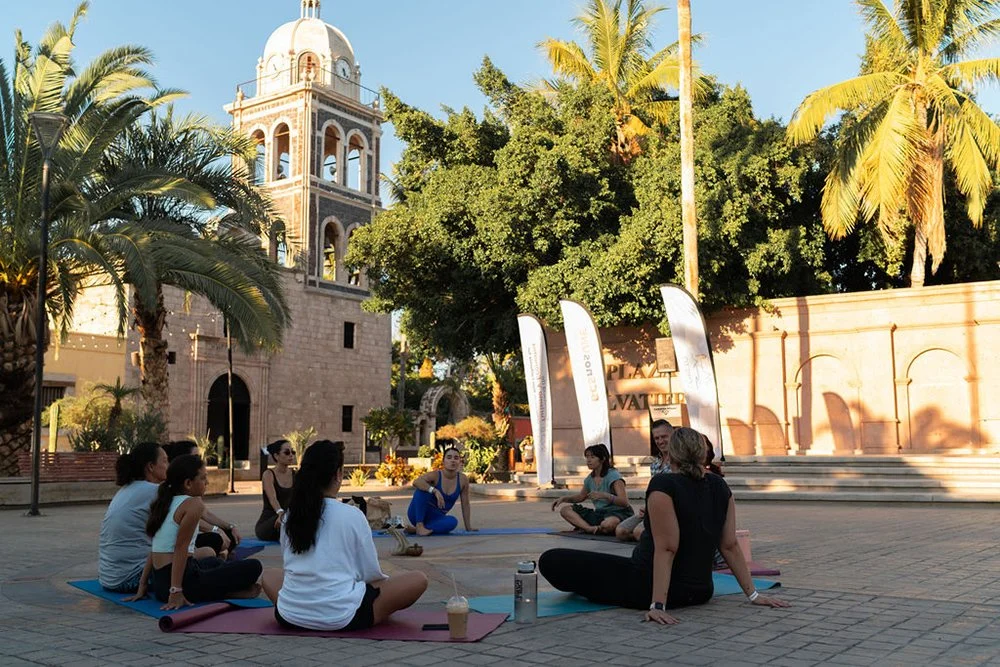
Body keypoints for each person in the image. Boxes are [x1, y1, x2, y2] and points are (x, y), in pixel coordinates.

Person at [539, 428, 789, 624]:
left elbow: (667, 548)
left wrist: (658, 605)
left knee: (552, 560)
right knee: (600, 568)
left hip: (647, 586)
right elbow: (729, 545)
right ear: (702, 454)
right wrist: (753, 595)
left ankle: (642, 597)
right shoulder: (720, 486)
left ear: (672, 455)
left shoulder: (663, 485)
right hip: (701, 590)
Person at [261, 440, 428, 631]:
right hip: (343, 616)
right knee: (418, 579)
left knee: (270, 575)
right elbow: (370, 575)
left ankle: (303, 608)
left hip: (290, 615)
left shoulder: (289, 516)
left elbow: (291, 563)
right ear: (338, 475)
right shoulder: (352, 514)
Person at [128, 454, 263, 609]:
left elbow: (156, 547)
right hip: (181, 584)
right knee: (254, 566)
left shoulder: (166, 501)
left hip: (160, 584)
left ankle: (222, 590)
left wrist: (143, 584)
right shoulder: (193, 504)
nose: (207, 482)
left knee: (214, 562)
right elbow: (181, 548)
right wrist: (175, 591)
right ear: (188, 483)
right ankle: (225, 592)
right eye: (203, 478)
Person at [98, 442, 168, 592]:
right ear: (151, 466)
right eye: (164, 461)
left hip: (109, 578)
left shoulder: (128, 489)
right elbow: (190, 514)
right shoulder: (153, 491)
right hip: (131, 578)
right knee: (206, 554)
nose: (168, 466)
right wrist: (219, 528)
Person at [164, 440, 242, 557]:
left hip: (182, 553)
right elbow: (191, 520)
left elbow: (205, 513)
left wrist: (229, 526)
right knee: (214, 545)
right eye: (195, 457)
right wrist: (215, 530)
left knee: (228, 535)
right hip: (179, 551)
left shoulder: (192, 494)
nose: (207, 482)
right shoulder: (172, 491)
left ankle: (220, 554)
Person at [551, 444, 633, 534]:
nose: (588, 460)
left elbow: (624, 502)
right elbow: (581, 497)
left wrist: (605, 495)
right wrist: (564, 499)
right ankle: (589, 528)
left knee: (608, 524)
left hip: (617, 513)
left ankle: (596, 528)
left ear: (602, 459)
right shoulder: (589, 479)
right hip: (599, 514)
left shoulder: (613, 476)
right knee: (565, 510)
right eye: (587, 457)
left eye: (592, 457)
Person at [616, 420, 675, 542]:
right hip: (651, 509)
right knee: (621, 531)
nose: (660, 441)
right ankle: (655, 538)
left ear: (673, 435)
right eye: (656, 438)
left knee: (640, 532)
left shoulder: (679, 462)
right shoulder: (655, 464)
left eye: (664, 437)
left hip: (669, 510)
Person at [405, 446, 475, 536]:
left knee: (452, 522)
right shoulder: (436, 475)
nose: (452, 460)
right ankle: (419, 525)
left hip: (436, 518)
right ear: (443, 461)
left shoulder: (463, 479)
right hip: (417, 514)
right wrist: (434, 490)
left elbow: (465, 503)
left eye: (456, 458)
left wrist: (468, 527)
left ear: (460, 462)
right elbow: (416, 482)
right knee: (423, 489)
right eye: (449, 458)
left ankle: (418, 529)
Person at [255, 440, 295, 542]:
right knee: (287, 520)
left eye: (292, 452)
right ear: (276, 456)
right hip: (269, 522)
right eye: (286, 452)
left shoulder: (295, 475)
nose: (291, 455)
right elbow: (272, 498)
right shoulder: (268, 474)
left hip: (288, 518)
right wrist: (281, 513)